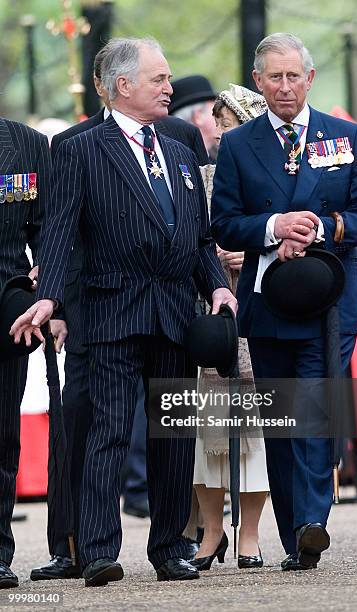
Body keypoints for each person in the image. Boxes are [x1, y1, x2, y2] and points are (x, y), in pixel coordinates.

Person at [11, 37, 236, 587]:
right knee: (107, 434)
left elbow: (198, 236)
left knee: (174, 437)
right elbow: (60, 231)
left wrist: (217, 287)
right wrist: (51, 296)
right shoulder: (79, 149)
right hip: (112, 310)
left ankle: (170, 549)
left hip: (176, 313)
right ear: (123, 86)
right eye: (159, 78)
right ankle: (97, 550)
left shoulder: (181, 150)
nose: (169, 87)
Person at [211, 32, 357, 572]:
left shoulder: (346, 136)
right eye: (275, 77)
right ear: (259, 82)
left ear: (310, 79)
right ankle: (296, 537)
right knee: (282, 424)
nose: (285, 87)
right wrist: (272, 226)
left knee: (312, 411)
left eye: (294, 76)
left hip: (328, 305)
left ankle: (313, 521)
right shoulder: (239, 146)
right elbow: (223, 222)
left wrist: (318, 228)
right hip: (266, 306)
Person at [191, 84, 269, 571]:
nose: (223, 133)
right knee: (206, 430)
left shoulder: (267, 177)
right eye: (219, 123)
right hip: (209, 307)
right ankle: (212, 529)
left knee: (254, 430)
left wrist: (251, 250)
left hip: (258, 306)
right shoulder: (199, 176)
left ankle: (252, 535)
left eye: (232, 122)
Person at [0, 117, 51, 589]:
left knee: (2, 433)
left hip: (7, 309)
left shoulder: (29, 146)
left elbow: (50, 229)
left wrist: (47, 284)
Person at [169, 75, 217, 160]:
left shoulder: (217, 158)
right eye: (215, 110)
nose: (222, 117)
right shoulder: (178, 160)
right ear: (198, 116)